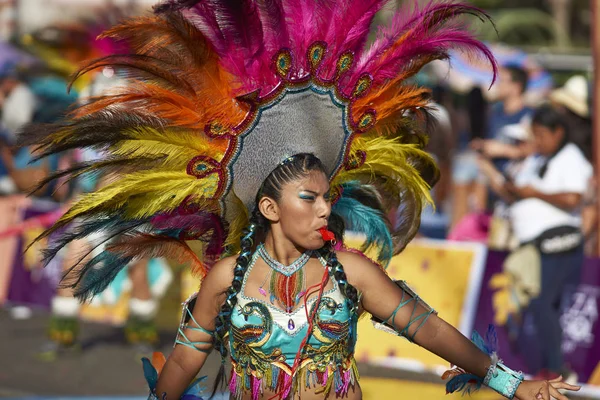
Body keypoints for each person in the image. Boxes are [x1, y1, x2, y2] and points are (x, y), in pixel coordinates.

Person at [21, 1, 580, 399]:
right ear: (269, 208)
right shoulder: (226, 279)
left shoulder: (351, 273)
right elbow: (189, 358)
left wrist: (510, 384)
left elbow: (429, 329)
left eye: (327, 198)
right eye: (309, 199)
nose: (323, 210)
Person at [479, 105, 591, 382]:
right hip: (534, 245)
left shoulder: (570, 158)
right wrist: (494, 175)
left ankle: (557, 369)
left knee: (542, 304)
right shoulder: (536, 159)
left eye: (541, 135)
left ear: (558, 132)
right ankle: (550, 366)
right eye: (534, 135)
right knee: (538, 306)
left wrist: (534, 194)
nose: (537, 141)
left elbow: (573, 199)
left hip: (559, 241)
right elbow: (517, 194)